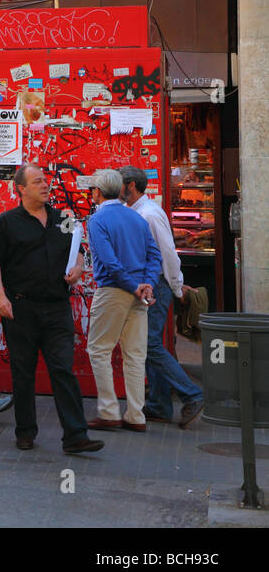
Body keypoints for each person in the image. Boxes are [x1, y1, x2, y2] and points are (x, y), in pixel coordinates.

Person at [0, 165, 103, 454]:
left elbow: (80, 253)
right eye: (37, 182)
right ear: (21, 189)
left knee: (63, 368)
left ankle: (75, 435)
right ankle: (25, 432)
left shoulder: (63, 219)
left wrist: (77, 268)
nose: (45, 185)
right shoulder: (8, 222)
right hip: (20, 307)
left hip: (57, 307)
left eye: (46, 180)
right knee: (23, 372)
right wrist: (0, 297)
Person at [119, 166, 204, 427]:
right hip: (151, 284)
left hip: (156, 285)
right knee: (148, 344)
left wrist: (178, 288)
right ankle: (159, 405)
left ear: (130, 186)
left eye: (119, 184)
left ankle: (192, 394)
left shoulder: (149, 215)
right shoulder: (140, 212)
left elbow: (168, 254)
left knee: (149, 344)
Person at [85, 169, 161, 434]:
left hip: (113, 290)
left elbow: (109, 261)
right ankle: (135, 414)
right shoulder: (137, 217)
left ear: (96, 192)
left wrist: (134, 285)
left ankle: (108, 411)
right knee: (135, 355)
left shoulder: (96, 221)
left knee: (99, 349)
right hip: (139, 292)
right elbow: (154, 255)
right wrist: (146, 284)